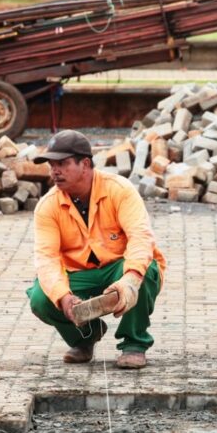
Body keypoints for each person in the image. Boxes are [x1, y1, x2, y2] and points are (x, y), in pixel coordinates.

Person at [26, 130, 167, 369]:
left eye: (62, 163)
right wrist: (64, 297)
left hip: (117, 268)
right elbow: (46, 259)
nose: (55, 171)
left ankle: (134, 344)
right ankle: (85, 337)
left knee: (146, 269)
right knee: (40, 298)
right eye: (52, 165)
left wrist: (130, 279)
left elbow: (140, 237)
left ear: (85, 164)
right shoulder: (47, 206)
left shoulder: (119, 189)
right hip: (80, 275)